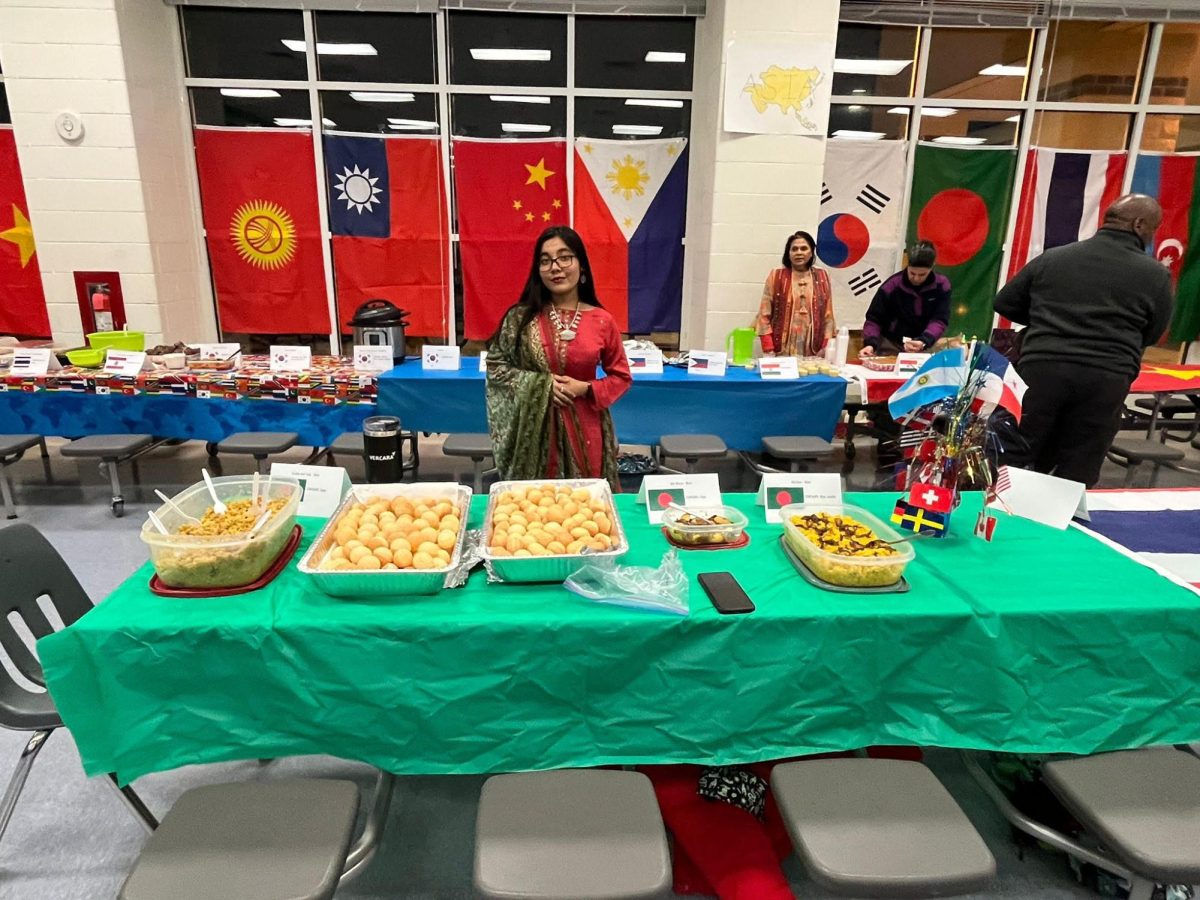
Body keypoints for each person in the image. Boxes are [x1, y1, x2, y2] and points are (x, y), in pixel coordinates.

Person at [994, 193, 1174, 487]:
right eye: (1154, 229)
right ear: (1140, 224)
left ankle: (999, 518)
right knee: (1081, 458)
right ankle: (1063, 525)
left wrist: (1046, 320)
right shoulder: (1156, 275)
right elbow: (1153, 333)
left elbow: (1005, 302)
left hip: (1043, 368)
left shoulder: (1055, 257)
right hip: (1107, 376)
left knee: (1018, 448)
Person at [486, 226, 632, 489]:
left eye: (565, 257)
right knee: (534, 510)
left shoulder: (602, 320)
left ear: (582, 266)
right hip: (533, 434)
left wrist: (586, 388)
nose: (555, 267)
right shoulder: (520, 318)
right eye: (545, 260)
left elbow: (621, 377)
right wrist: (541, 386)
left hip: (586, 430)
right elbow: (496, 367)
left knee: (585, 511)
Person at [860, 240, 951, 357]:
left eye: (922, 274)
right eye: (912, 273)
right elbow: (874, 319)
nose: (916, 278)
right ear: (907, 266)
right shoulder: (891, 286)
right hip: (890, 344)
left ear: (932, 267)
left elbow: (939, 319)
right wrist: (870, 344)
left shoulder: (942, 285)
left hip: (924, 345)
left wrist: (924, 341)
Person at [755, 230, 834, 357]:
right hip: (780, 348)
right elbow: (764, 315)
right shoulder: (776, 276)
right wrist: (768, 348)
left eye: (804, 248)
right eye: (794, 249)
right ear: (788, 253)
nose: (799, 253)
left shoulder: (822, 276)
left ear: (811, 252)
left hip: (814, 349)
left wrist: (826, 346)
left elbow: (828, 316)